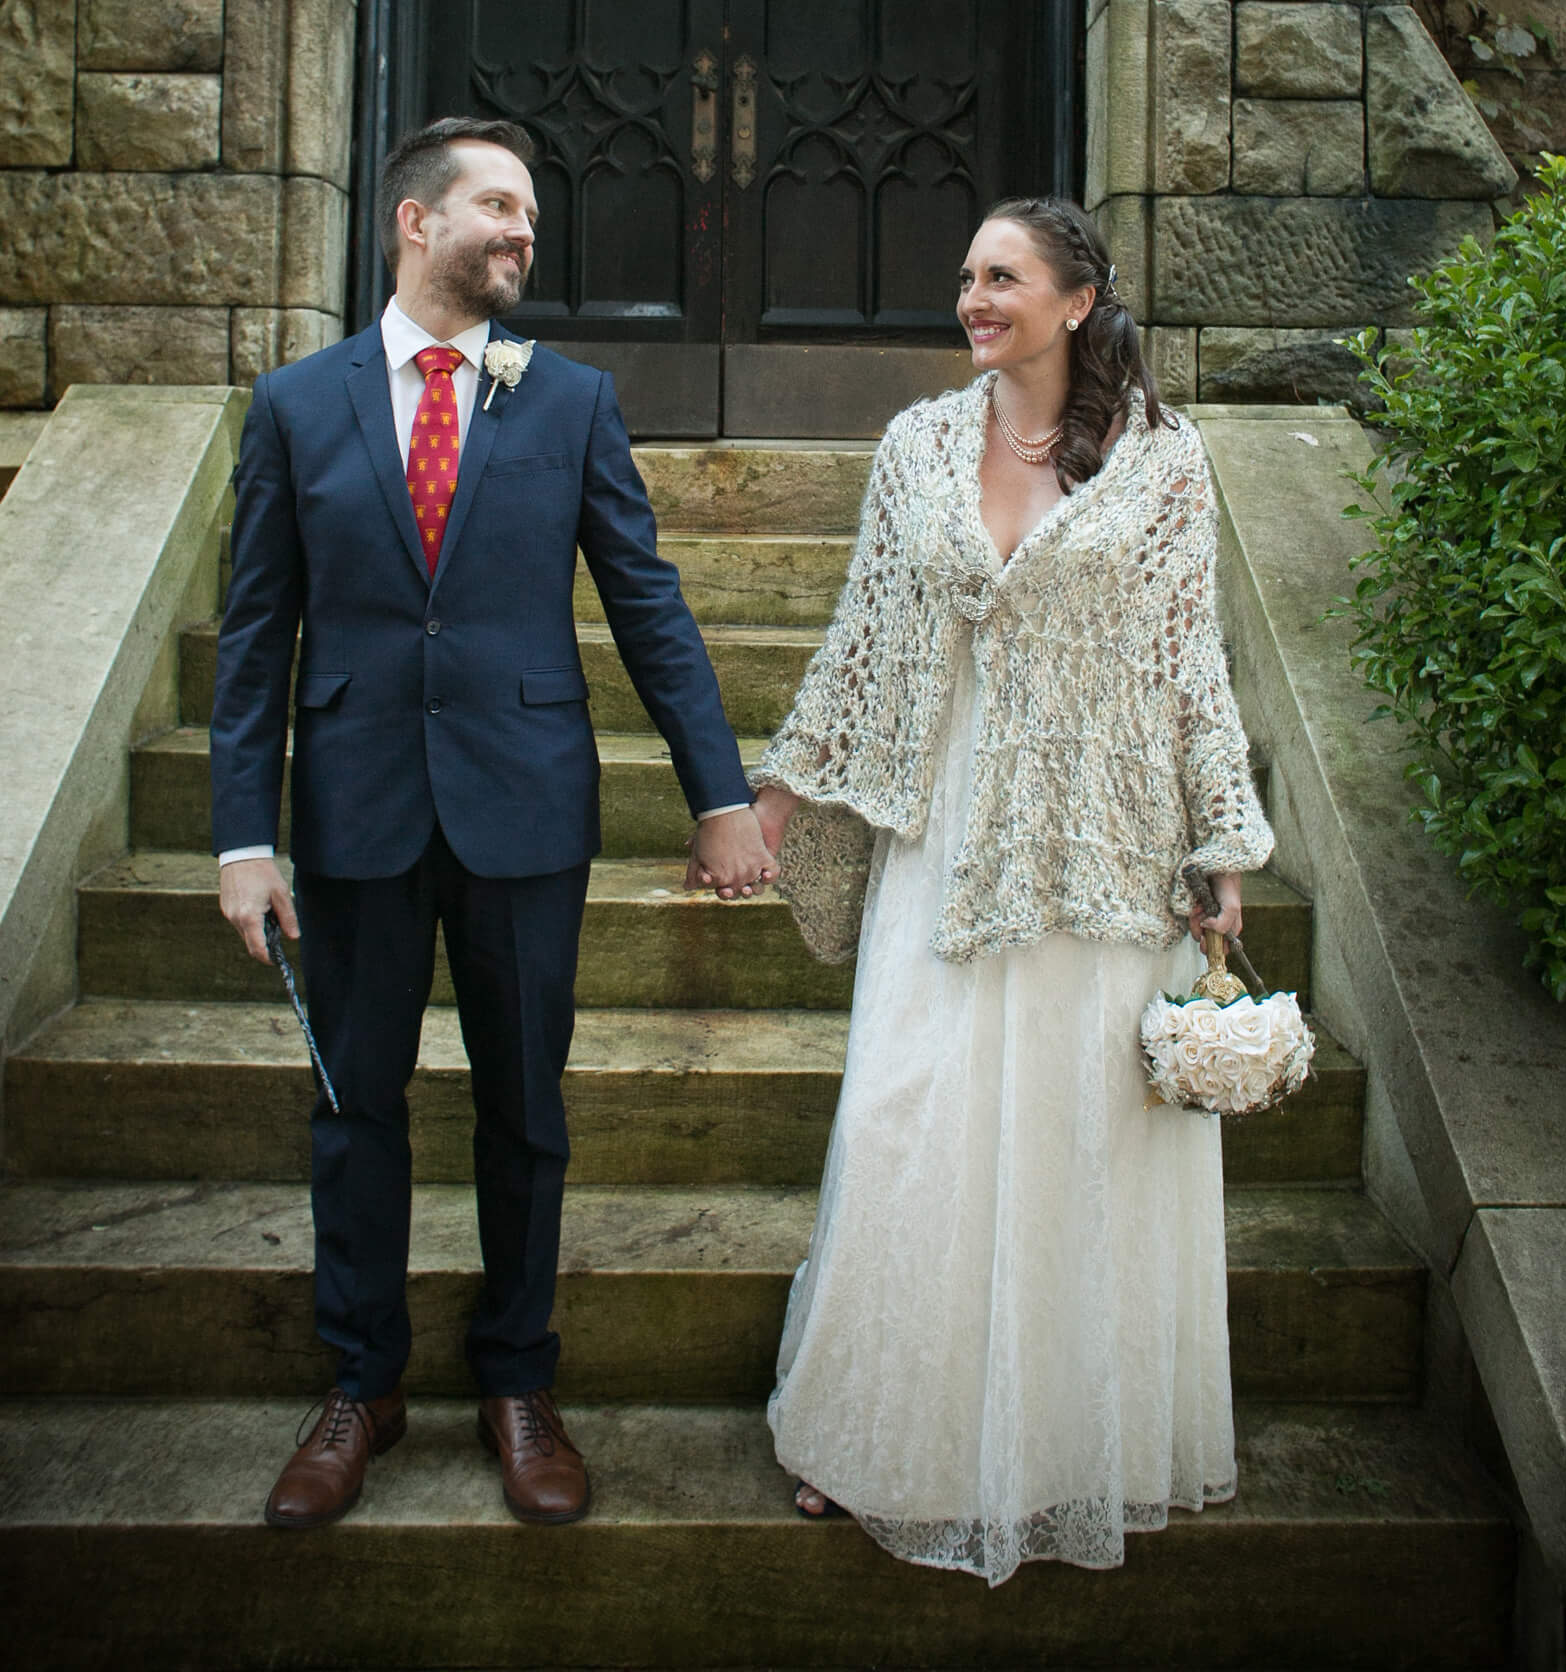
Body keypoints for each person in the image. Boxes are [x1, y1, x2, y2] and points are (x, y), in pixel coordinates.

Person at [696, 196, 1273, 1585]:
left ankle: (1069, 1452)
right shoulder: (917, 447)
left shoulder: (1165, 461)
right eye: (964, 275)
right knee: (915, 1122)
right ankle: (872, 1435)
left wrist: (1220, 849)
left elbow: (1193, 665)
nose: (972, 297)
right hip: (943, 832)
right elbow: (862, 639)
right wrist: (768, 794)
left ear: (1078, 301)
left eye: (1001, 275)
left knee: (1082, 1146)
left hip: (1103, 843)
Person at [212, 115, 776, 1532]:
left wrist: (719, 792)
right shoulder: (296, 404)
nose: (527, 231)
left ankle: (520, 1381)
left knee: (528, 1113)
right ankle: (362, 1383)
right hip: (353, 818)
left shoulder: (569, 399)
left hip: (524, 813)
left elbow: (645, 601)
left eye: (531, 210)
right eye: (501, 207)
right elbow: (253, 638)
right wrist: (241, 835)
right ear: (416, 222)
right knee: (356, 1114)